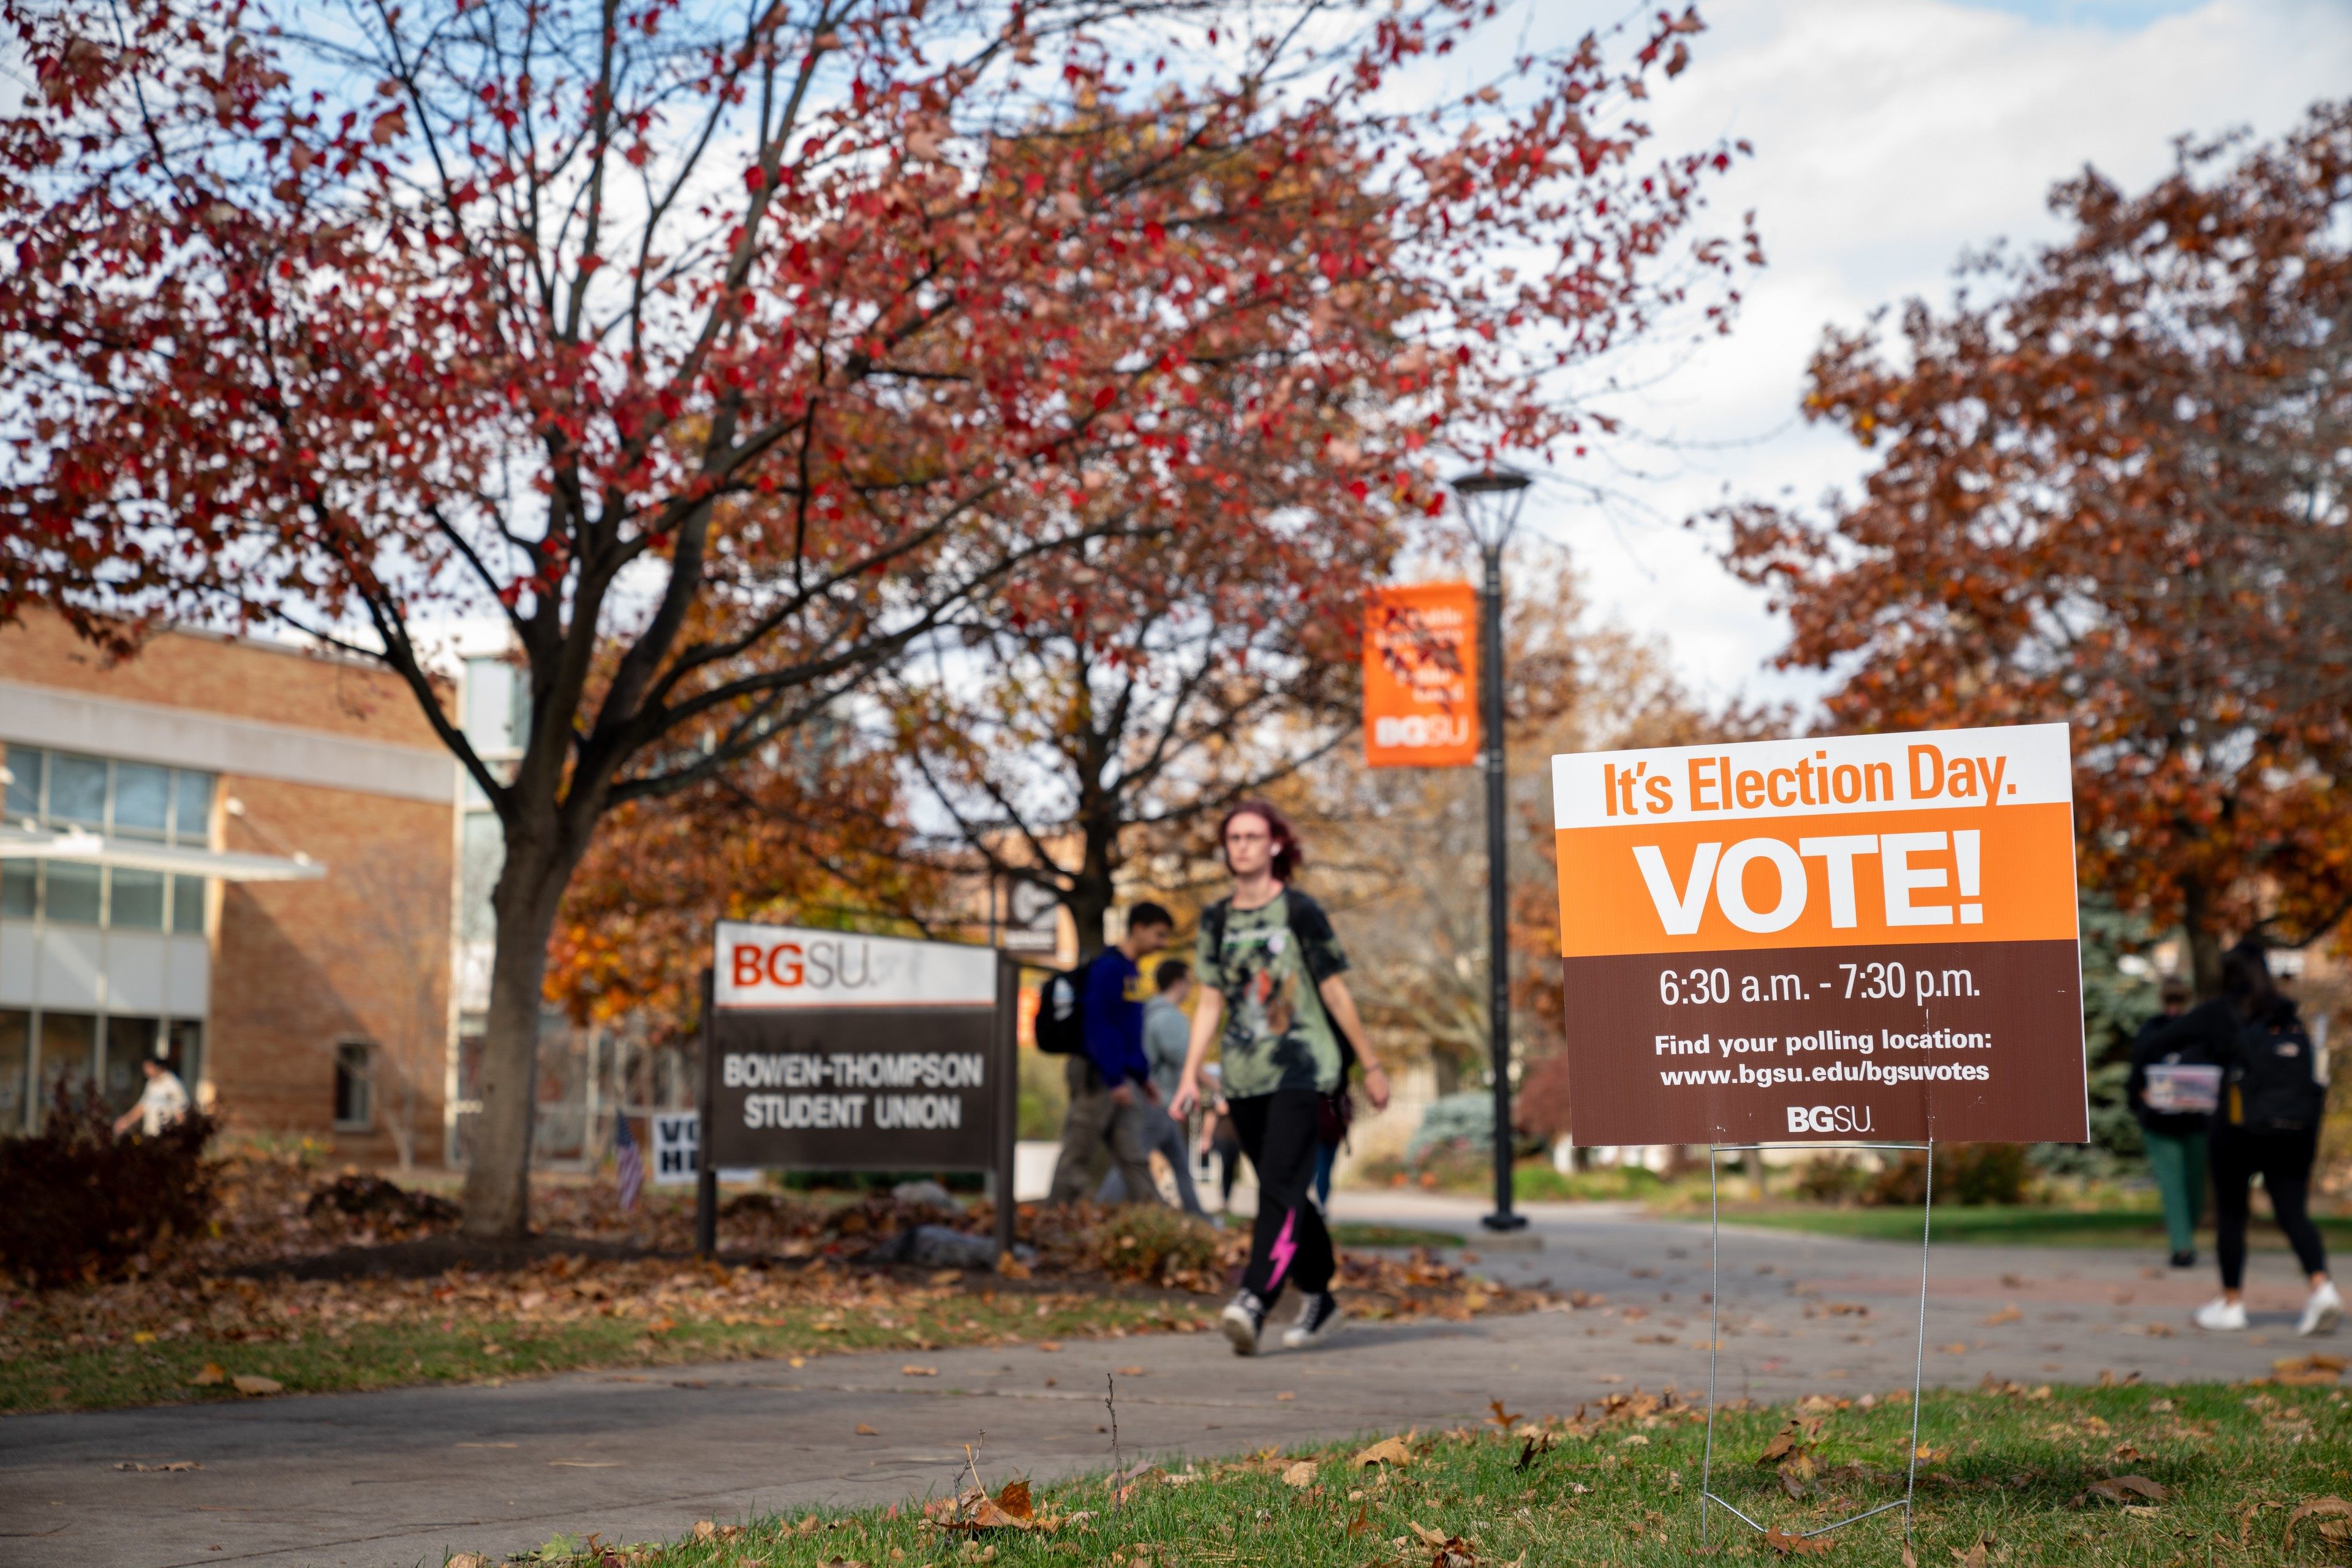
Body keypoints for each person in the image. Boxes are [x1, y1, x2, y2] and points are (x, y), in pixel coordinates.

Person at [1171, 800, 1390, 1354]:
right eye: (1233, 837)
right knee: (1284, 1186)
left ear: (1274, 845)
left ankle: (1254, 1300)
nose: (1241, 845)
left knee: (1278, 1186)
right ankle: (1321, 1296)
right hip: (1243, 1076)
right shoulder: (1217, 920)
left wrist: (1372, 1064)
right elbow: (1209, 1002)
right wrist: (1190, 1074)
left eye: (1252, 836)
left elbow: (1336, 991)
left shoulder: (1299, 910)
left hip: (1302, 1066)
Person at [2149, 941, 2341, 1336]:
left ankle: (2232, 1303)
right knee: (2292, 1213)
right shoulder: (2287, 1016)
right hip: (2292, 1130)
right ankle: (2321, 1287)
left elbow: (2160, 1043)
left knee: (2233, 1216)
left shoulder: (2218, 1013)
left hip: (2237, 1128)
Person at [1047, 902, 1174, 1206]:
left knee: (1134, 1155)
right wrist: (1114, 1077)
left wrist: (1142, 1077)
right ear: (1138, 929)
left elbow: (1129, 1031)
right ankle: (1053, 1218)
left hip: (1122, 1078)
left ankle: (1155, 1221)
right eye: (1159, 935)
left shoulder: (1131, 972)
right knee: (1078, 1151)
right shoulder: (1108, 969)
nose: (1163, 944)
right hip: (1099, 1076)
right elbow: (1099, 1027)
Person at [1099, 957, 1207, 1214]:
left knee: (1177, 1164)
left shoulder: (1146, 1013)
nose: (1190, 989)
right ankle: (1101, 1208)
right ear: (1178, 983)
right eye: (1188, 983)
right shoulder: (1170, 1018)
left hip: (1154, 1099)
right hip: (1158, 1102)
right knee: (1133, 1161)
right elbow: (1186, 1060)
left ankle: (1198, 1217)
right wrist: (1218, 1084)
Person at [2127, 977, 2210, 1267]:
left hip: (2194, 1119)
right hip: (2161, 1121)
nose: (2174, 1008)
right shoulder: (2152, 1030)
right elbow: (2137, 1073)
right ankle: (2182, 1247)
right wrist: (2142, 1098)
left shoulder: (2197, 1031)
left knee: (2193, 1187)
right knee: (2173, 1184)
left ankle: (2185, 1238)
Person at [113, 1055, 190, 1139]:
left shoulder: (172, 1083)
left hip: (166, 1136)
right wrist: (126, 1120)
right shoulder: (151, 1084)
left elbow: (181, 1110)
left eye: (148, 1067)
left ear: (157, 1067)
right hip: (150, 1134)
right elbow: (142, 1107)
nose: (146, 1071)